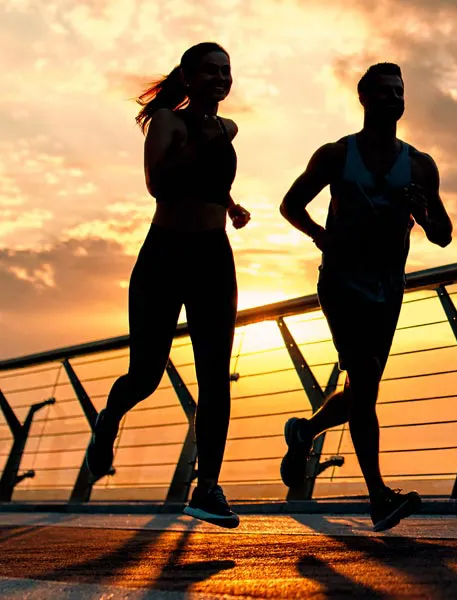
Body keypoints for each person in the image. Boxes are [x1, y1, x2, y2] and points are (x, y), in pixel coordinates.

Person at [279, 62, 453, 532]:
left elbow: (443, 234)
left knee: (363, 388)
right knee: (366, 381)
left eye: (399, 90)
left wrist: (422, 211)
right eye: (383, 91)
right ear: (365, 99)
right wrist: (320, 236)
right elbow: (290, 204)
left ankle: (305, 431)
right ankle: (378, 496)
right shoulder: (337, 155)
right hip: (340, 283)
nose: (393, 97)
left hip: (387, 289)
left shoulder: (419, 164)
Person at [85, 42, 251, 528]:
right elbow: (159, 182)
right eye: (211, 71)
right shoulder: (168, 122)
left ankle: (208, 487)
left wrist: (230, 204)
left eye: (227, 71)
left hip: (213, 258)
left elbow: (210, 179)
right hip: (165, 255)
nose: (221, 78)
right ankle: (109, 420)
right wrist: (203, 135)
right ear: (189, 75)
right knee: (146, 374)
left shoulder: (227, 129)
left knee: (215, 375)